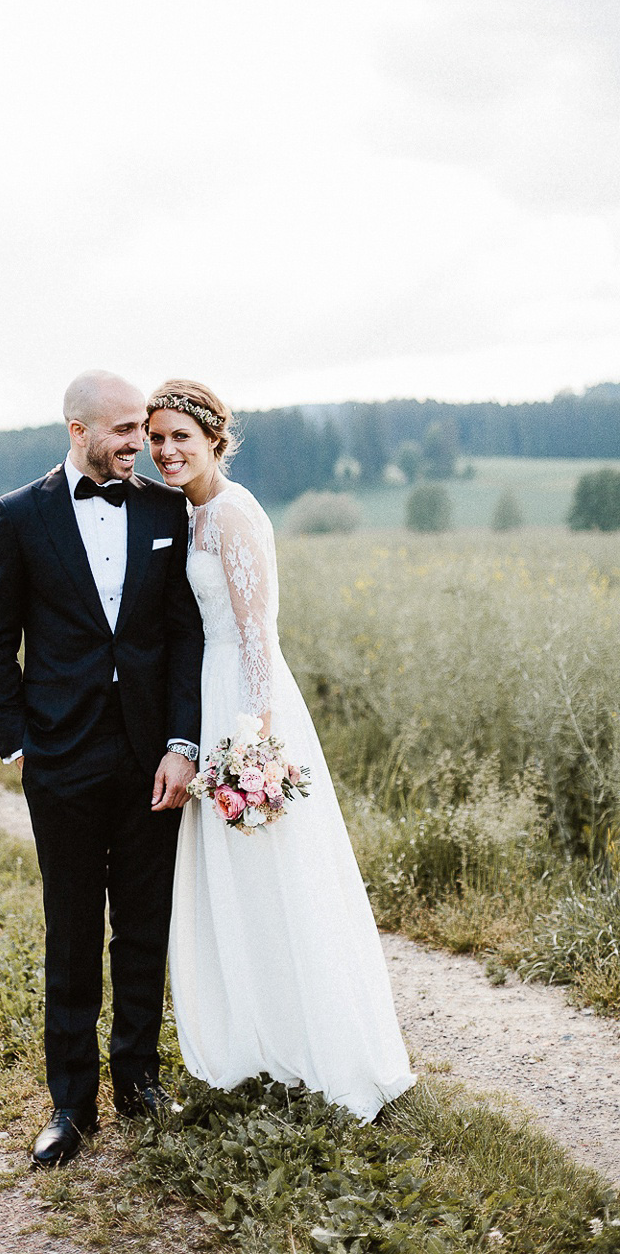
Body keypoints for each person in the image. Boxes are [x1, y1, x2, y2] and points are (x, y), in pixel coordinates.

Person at [146, 379, 414, 1122]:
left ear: (213, 442)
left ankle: (321, 1051)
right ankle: (256, 1047)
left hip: (244, 703)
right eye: (157, 439)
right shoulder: (187, 514)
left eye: (181, 439)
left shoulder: (235, 513)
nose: (166, 452)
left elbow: (258, 633)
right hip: (207, 695)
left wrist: (251, 743)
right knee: (234, 884)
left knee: (277, 875)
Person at [0, 371, 204, 1168]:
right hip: (61, 759)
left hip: (151, 758)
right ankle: (71, 1105)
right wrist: (18, 744)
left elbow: (183, 641)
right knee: (71, 930)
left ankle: (138, 1080)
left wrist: (182, 745)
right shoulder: (20, 516)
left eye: (142, 427)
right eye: (123, 430)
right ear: (77, 430)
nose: (139, 443)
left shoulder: (165, 510)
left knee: (143, 927)